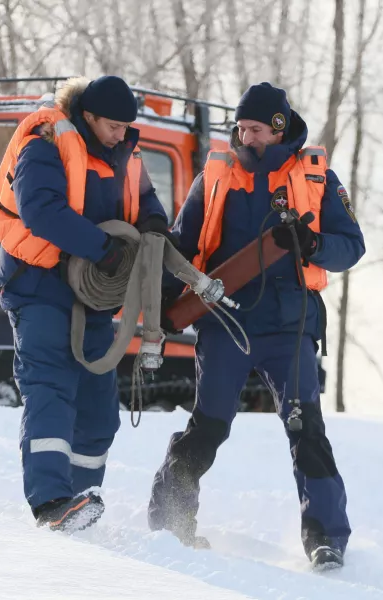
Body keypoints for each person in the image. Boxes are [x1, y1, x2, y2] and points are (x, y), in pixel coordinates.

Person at [147, 82, 365, 570]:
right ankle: (170, 524)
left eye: (257, 129)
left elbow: (352, 245)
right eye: (241, 128)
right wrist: (161, 298)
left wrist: (312, 244)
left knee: (306, 429)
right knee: (208, 428)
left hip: (292, 326)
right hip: (224, 322)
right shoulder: (217, 173)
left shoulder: (319, 177)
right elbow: (183, 243)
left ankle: (327, 539)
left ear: (280, 128)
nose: (246, 137)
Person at [0, 75, 176, 533]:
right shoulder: (45, 142)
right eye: (113, 126)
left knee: (97, 407)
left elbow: (147, 198)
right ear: (88, 116)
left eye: (124, 127)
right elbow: (40, 210)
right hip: (39, 286)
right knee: (51, 388)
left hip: (92, 295)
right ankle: (52, 503)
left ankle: (83, 501)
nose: (120, 134)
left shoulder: (124, 151)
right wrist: (103, 249)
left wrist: (153, 223)